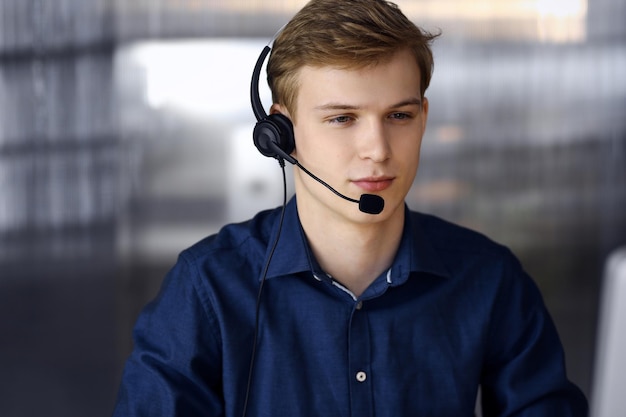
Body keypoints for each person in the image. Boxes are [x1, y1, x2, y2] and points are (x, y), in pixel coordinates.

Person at [113, 0, 588, 416]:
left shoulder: (490, 279)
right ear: (281, 134)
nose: (378, 149)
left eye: (398, 116)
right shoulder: (207, 288)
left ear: (423, 120)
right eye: (342, 118)